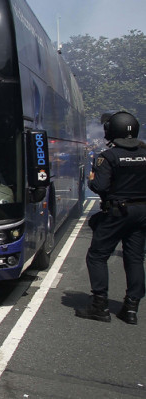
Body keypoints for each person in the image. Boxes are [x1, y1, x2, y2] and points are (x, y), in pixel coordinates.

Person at [76, 111, 146, 325]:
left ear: (111, 130)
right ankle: (131, 308)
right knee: (135, 258)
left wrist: (90, 180)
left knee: (97, 256)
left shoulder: (108, 157)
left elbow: (100, 187)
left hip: (117, 212)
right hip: (142, 212)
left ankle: (100, 305)